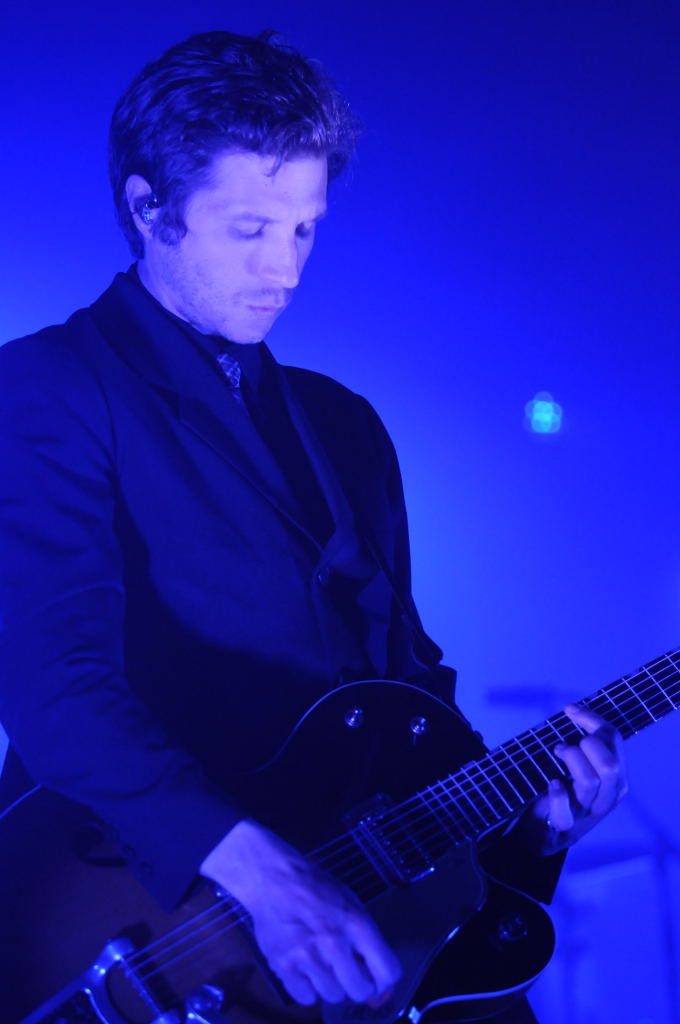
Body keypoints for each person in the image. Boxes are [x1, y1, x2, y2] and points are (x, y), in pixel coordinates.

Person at [0, 29, 627, 1024]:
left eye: (304, 229)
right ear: (147, 206)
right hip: (155, 931)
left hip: (377, 940)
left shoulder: (345, 423)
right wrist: (264, 875)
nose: (284, 268)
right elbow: (56, 690)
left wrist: (531, 825)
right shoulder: (48, 387)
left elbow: (408, 702)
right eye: (250, 228)